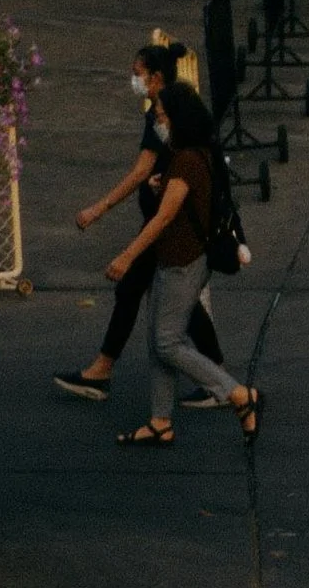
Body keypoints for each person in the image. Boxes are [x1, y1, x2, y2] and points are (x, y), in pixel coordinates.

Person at [58, 44, 230, 403]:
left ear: (155, 77)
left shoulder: (163, 114)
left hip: (165, 224)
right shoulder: (168, 110)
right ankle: (214, 375)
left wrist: (99, 209)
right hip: (166, 222)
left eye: (138, 73)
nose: (134, 79)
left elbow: (142, 172)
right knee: (175, 302)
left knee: (137, 295)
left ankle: (105, 370)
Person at [107, 119, 261, 450]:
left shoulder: (187, 160)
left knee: (166, 343)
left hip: (182, 262)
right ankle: (160, 422)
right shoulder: (199, 155)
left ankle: (236, 393)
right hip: (176, 259)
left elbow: (164, 217)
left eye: (164, 117)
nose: (159, 123)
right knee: (158, 338)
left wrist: (127, 256)